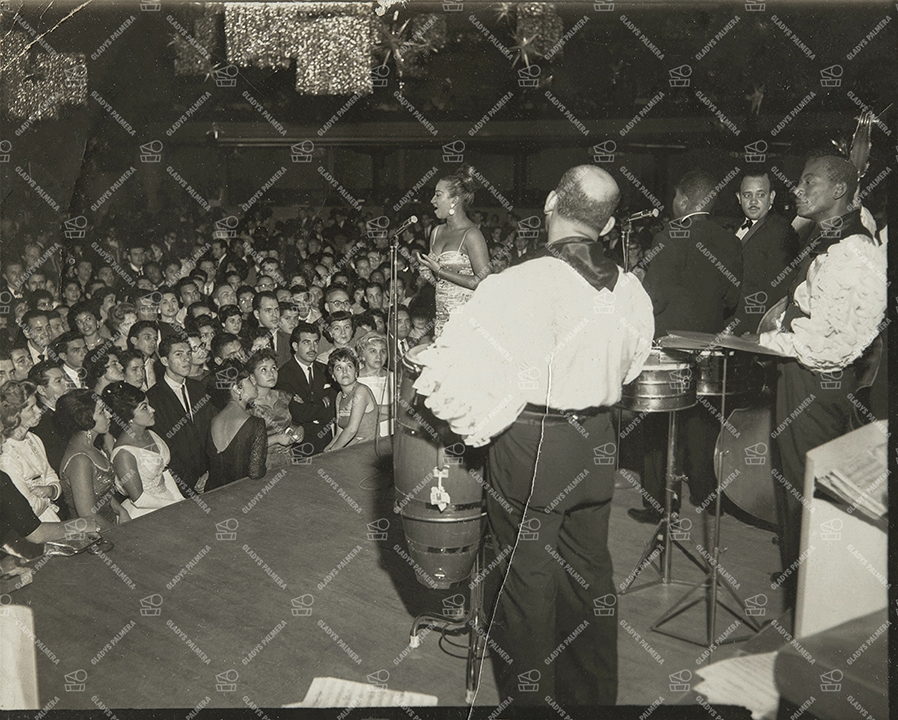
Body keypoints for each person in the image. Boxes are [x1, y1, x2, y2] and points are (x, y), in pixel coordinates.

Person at [414, 165, 654, 708]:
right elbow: (633, 365)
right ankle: (593, 704)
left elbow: (453, 384)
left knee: (526, 588)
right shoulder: (630, 288)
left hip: (535, 442)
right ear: (608, 225)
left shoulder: (515, 284)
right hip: (598, 443)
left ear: (549, 202)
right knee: (590, 579)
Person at [755, 152, 886, 613]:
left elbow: (837, 341)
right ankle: (801, 594)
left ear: (839, 190)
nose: (799, 189)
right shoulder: (829, 240)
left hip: (816, 380)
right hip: (800, 375)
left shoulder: (854, 250)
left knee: (806, 494)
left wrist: (769, 342)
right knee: (794, 489)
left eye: (809, 182)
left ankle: (814, 605)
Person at [632, 169, 744, 522]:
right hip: (708, 345)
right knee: (703, 422)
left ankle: (661, 504)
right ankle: (706, 494)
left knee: (660, 425)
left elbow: (655, 298)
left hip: (669, 346)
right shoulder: (730, 241)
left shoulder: (670, 235)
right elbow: (731, 299)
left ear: (682, 199)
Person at [415, 166, 491, 336]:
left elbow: (485, 282)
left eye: (438, 195)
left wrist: (441, 271)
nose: (432, 200)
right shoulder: (436, 232)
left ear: (454, 200)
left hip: (466, 321)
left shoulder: (471, 235)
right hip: (441, 319)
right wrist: (427, 272)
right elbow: (440, 282)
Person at [103, 382, 183, 519]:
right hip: (147, 511)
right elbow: (139, 499)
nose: (152, 410)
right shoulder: (123, 453)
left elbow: (164, 472)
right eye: (144, 407)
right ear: (128, 417)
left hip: (168, 499)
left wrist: (180, 499)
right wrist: (173, 505)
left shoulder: (150, 433)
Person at [146, 337, 215, 495]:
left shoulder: (199, 388)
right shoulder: (153, 398)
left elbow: (211, 432)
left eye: (189, 354)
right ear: (165, 360)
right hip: (179, 483)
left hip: (209, 477)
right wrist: (191, 480)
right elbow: (163, 445)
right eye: (179, 354)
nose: (187, 359)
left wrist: (210, 472)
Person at [732, 171, 799, 332]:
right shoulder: (736, 227)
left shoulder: (781, 230)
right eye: (747, 195)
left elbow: (779, 291)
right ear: (739, 198)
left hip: (752, 326)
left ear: (772, 197)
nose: (753, 201)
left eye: (760, 195)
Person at [57, 389, 127, 529]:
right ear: (85, 418)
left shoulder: (90, 446)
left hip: (109, 524)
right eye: (101, 411)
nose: (109, 415)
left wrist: (121, 510)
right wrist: (118, 533)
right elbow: (87, 515)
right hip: (94, 533)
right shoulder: (80, 461)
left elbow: (101, 491)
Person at [0, 381, 63, 522]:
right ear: (14, 415)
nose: (39, 411)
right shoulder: (5, 453)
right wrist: (47, 495)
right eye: (31, 408)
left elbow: (51, 475)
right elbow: (29, 508)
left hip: (50, 516)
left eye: (37, 405)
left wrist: (51, 490)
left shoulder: (33, 439)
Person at [205, 359, 267, 490]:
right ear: (237, 389)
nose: (255, 382)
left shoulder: (213, 420)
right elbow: (255, 473)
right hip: (240, 494)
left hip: (211, 494)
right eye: (249, 380)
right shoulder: (256, 424)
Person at [276, 321, 335, 455]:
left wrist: (308, 408)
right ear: (295, 346)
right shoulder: (284, 375)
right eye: (306, 342)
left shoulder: (326, 371)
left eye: (315, 342)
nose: (312, 347)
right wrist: (322, 403)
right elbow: (297, 413)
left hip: (327, 441)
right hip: (300, 444)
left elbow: (333, 410)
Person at [246, 350, 303, 469]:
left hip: (287, 458)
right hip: (260, 463)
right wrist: (276, 439)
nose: (271, 374)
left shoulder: (285, 396)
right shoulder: (248, 406)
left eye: (273, 368)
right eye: (264, 370)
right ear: (252, 377)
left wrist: (299, 431)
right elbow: (246, 444)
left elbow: (292, 424)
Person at [324, 348, 377, 452]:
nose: (344, 371)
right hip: (351, 449)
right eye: (339, 368)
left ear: (356, 372)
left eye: (349, 366)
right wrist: (326, 451)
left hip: (369, 450)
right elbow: (339, 433)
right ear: (333, 376)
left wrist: (332, 451)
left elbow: (351, 430)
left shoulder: (361, 391)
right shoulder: (339, 396)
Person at [27, 361, 70, 476]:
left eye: (65, 379)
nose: (67, 383)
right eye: (58, 381)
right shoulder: (40, 423)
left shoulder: (66, 409)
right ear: (42, 390)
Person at [355, 331, 391, 438]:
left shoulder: (394, 378)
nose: (379, 356)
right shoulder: (355, 380)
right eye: (373, 351)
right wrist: (392, 411)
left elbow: (402, 411)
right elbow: (356, 418)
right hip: (365, 439)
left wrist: (370, 410)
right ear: (362, 355)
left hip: (392, 434)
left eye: (383, 351)